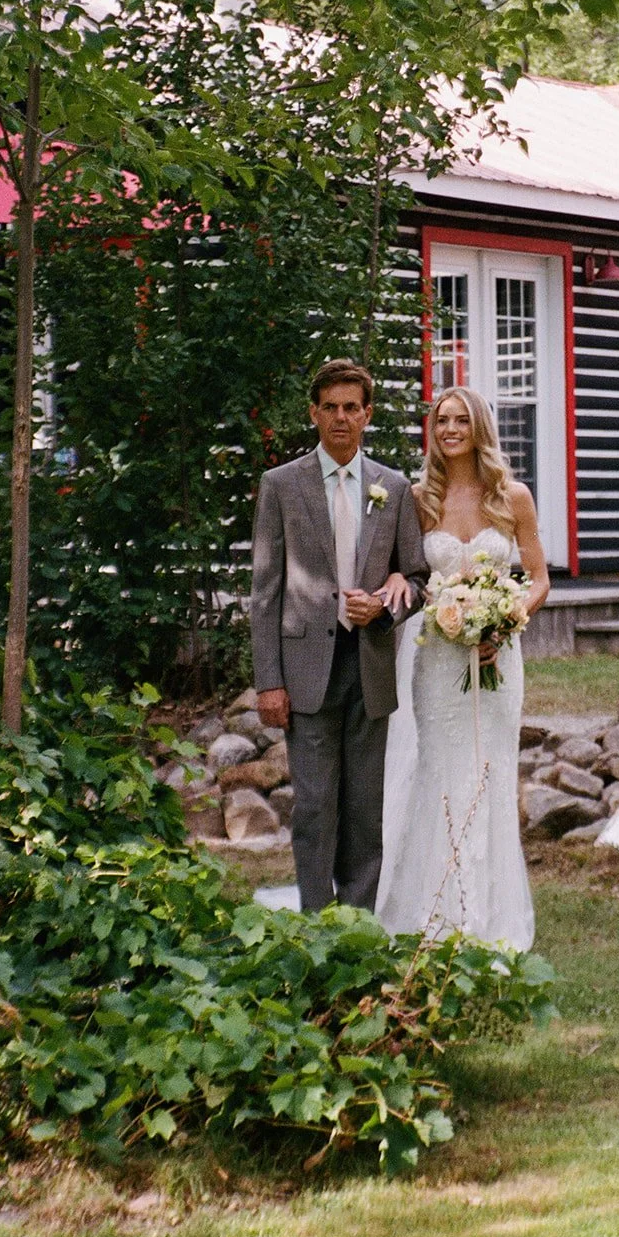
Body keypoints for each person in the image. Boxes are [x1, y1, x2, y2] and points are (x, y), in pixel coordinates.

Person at [250, 359, 429, 912]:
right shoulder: (281, 485)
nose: (340, 418)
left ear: (367, 414)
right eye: (329, 407)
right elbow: (265, 591)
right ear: (314, 413)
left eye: (352, 407)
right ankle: (314, 924)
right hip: (305, 672)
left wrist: (384, 607)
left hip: (369, 665)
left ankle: (357, 926)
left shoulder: (393, 488)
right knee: (314, 807)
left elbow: (418, 579)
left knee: (362, 808)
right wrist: (268, 681)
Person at [376, 386, 550, 950]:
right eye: (440, 420)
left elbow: (539, 578)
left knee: (490, 771)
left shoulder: (513, 495)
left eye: (460, 420)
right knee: (441, 768)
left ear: (479, 427)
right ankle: (432, 910)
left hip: (499, 658)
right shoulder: (419, 497)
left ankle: (489, 912)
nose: (449, 429)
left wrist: (505, 619)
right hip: (437, 656)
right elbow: (404, 570)